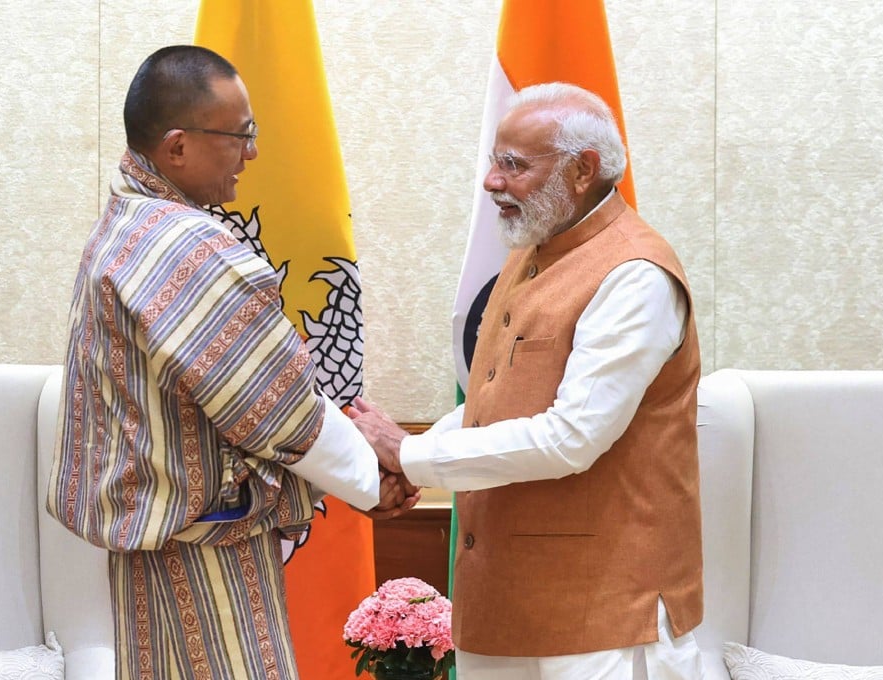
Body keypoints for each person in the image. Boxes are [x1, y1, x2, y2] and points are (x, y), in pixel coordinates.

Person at [46, 45, 417, 680]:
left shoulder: (127, 220)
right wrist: (375, 476)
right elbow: (279, 409)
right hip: (205, 553)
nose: (252, 153)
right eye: (239, 135)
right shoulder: (185, 245)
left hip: (162, 545)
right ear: (178, 146)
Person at [350, 82, 705, 680]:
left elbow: (572, 437)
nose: (492, 181)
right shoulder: (529, 254)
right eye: (494, 161)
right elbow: (492, 401)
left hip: (604, 618)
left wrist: (410, 454)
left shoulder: (636, 276)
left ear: (582, 170)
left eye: (513, 165)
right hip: (503, 605)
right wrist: (398, 460)